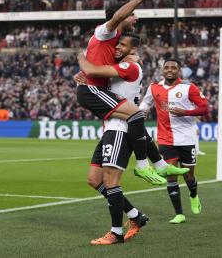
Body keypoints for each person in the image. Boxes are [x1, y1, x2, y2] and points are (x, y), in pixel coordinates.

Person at [78, 34, 189, 245]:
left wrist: (81, 59)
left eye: (122, 45)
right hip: (109, 128)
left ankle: (116, 232)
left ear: (133, 52)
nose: (117, 48)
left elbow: (94, 69)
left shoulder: (130, 66)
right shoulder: (122, 65)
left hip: (120, 129)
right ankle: (135, 215)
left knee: (111, 182)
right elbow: (100, 78)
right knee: (94, 179)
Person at [75, 0, 164, 185]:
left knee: (95, 181)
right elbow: (116, 18)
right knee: (136, 115)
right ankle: (146, 165)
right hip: (92, 90)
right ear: (121, 15)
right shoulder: (106, 31)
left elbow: (94, 54)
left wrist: (84, 64)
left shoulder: (115, 40)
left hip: (96, 89)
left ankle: (135, 213)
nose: (135, 18)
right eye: (132, 15)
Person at [139, 58, 208, 224]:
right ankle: (179, 214)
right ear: (163, 70)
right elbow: (146, 103)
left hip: (187, 138)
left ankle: (193, 195)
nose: (170, 70)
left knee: (189, 175)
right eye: (167, 67)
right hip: (165, 138)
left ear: (179, 71)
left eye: (173, 68)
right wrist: (142, 112)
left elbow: (204, 108)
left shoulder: (188, 87)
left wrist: (184, 112)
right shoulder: (154, 87)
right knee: (170, 175)